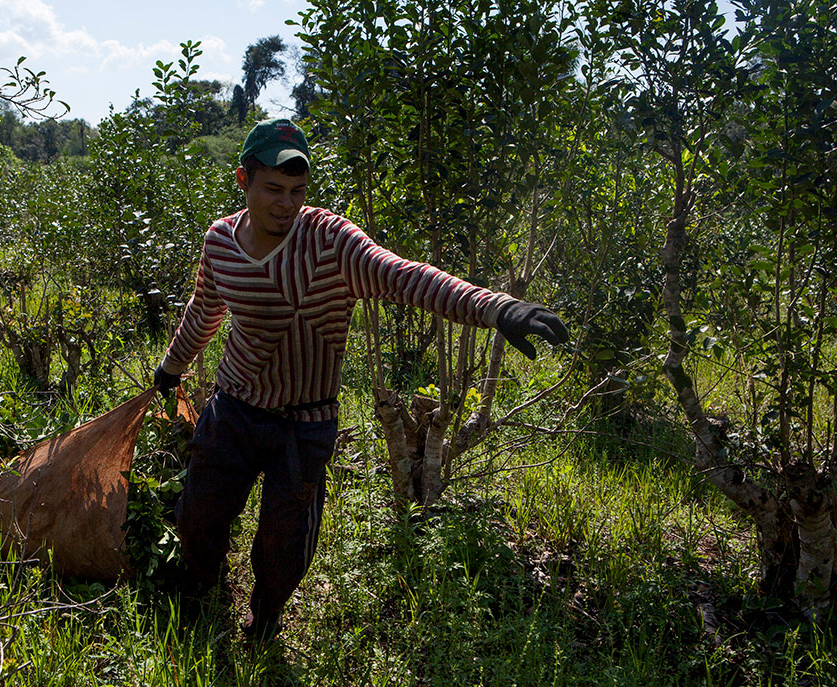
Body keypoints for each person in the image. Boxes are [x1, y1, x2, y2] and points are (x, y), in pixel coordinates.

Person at [153, 118, 568, 641]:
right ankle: (202, 596)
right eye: (274, 190)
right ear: (244, 181)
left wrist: (496, 307)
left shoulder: (330, 240)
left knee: (284, 542)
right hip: (233, 409)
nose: (287, 204)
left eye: (298, 192)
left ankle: (265, 619)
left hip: (303, 425)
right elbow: (205, 309)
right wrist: (172, 367)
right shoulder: (220, 241)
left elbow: (405, 275)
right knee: (199, 517)